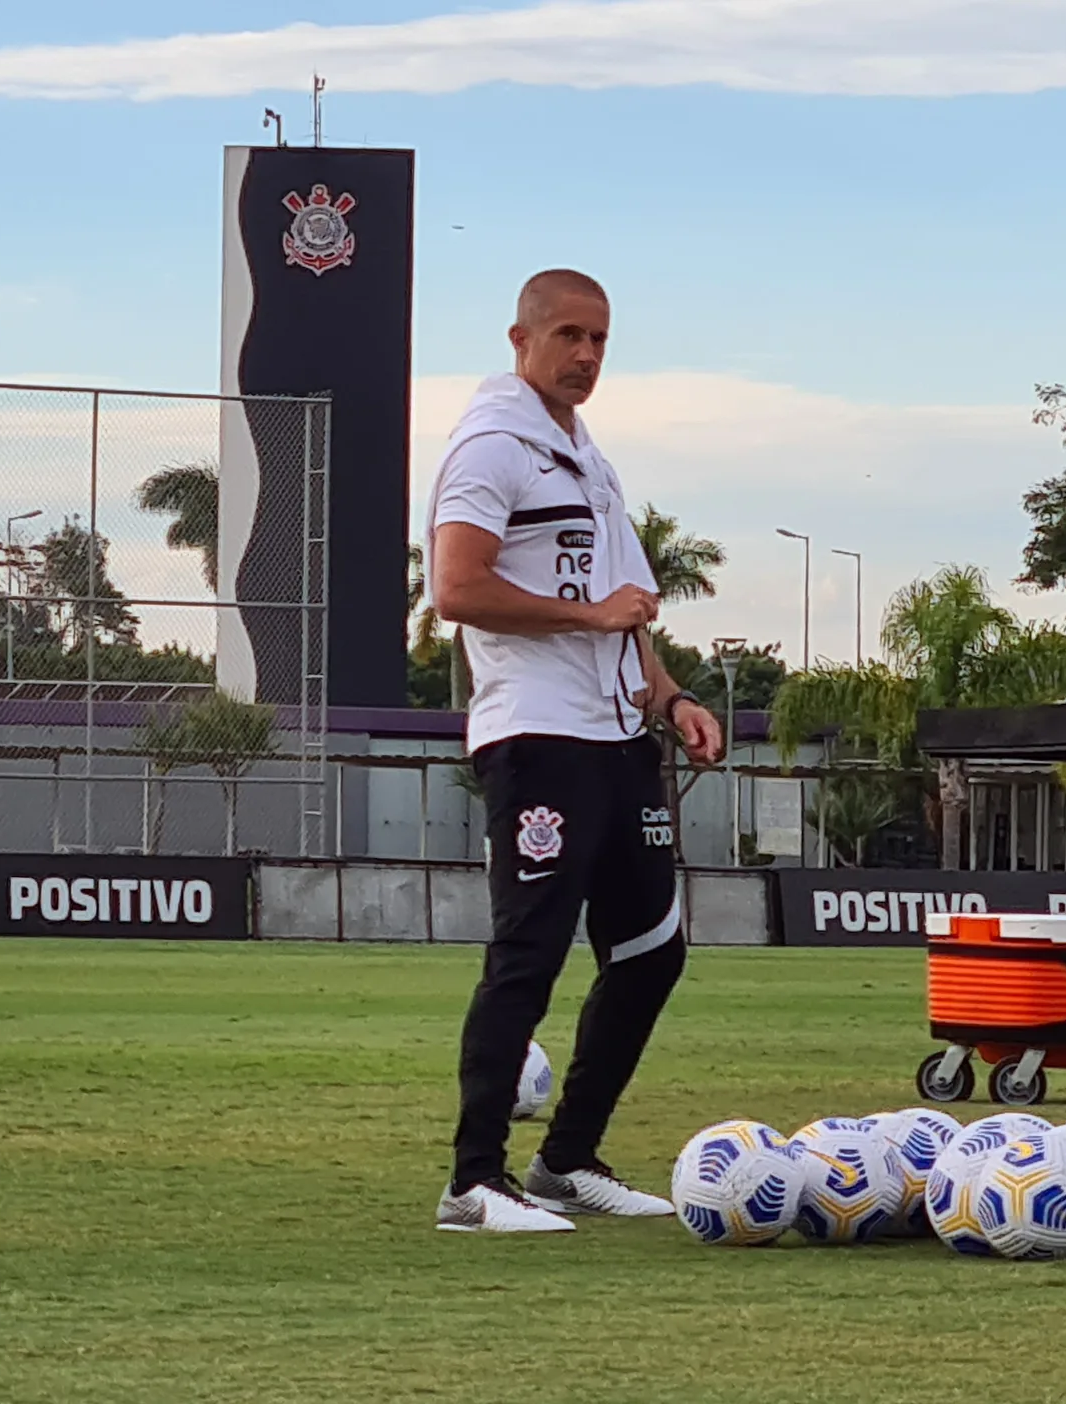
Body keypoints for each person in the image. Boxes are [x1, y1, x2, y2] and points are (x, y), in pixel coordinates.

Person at [426, 269, 726, 1234]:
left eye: (599, 339)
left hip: (615, 738)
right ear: (520, 338)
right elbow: (456, 590)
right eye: (568, 335)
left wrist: (670, 694)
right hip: (536, 737)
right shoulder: (489, 447)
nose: (587, 355)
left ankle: (566, 1159)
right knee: (530, 955)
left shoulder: (588, 459)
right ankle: (474, 1182)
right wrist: (587, 615)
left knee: (652, 951)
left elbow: (629, 607)